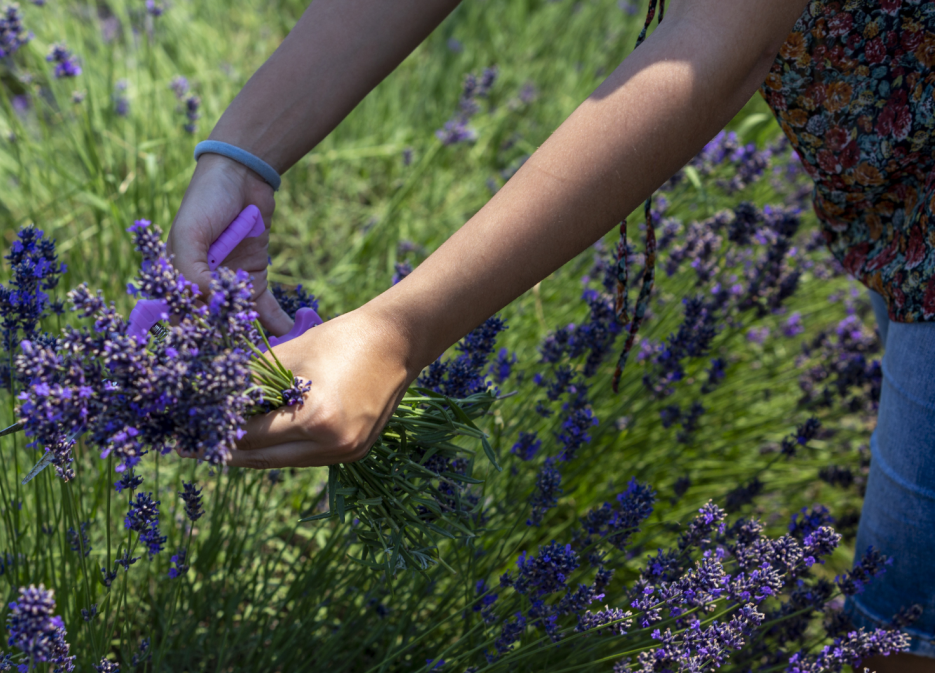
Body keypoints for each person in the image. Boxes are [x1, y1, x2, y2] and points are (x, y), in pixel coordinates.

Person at [167, 0, 935, 668]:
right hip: (891, 200)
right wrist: (242, 156)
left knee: (898, 627)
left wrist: (395, 331)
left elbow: (721, 33)